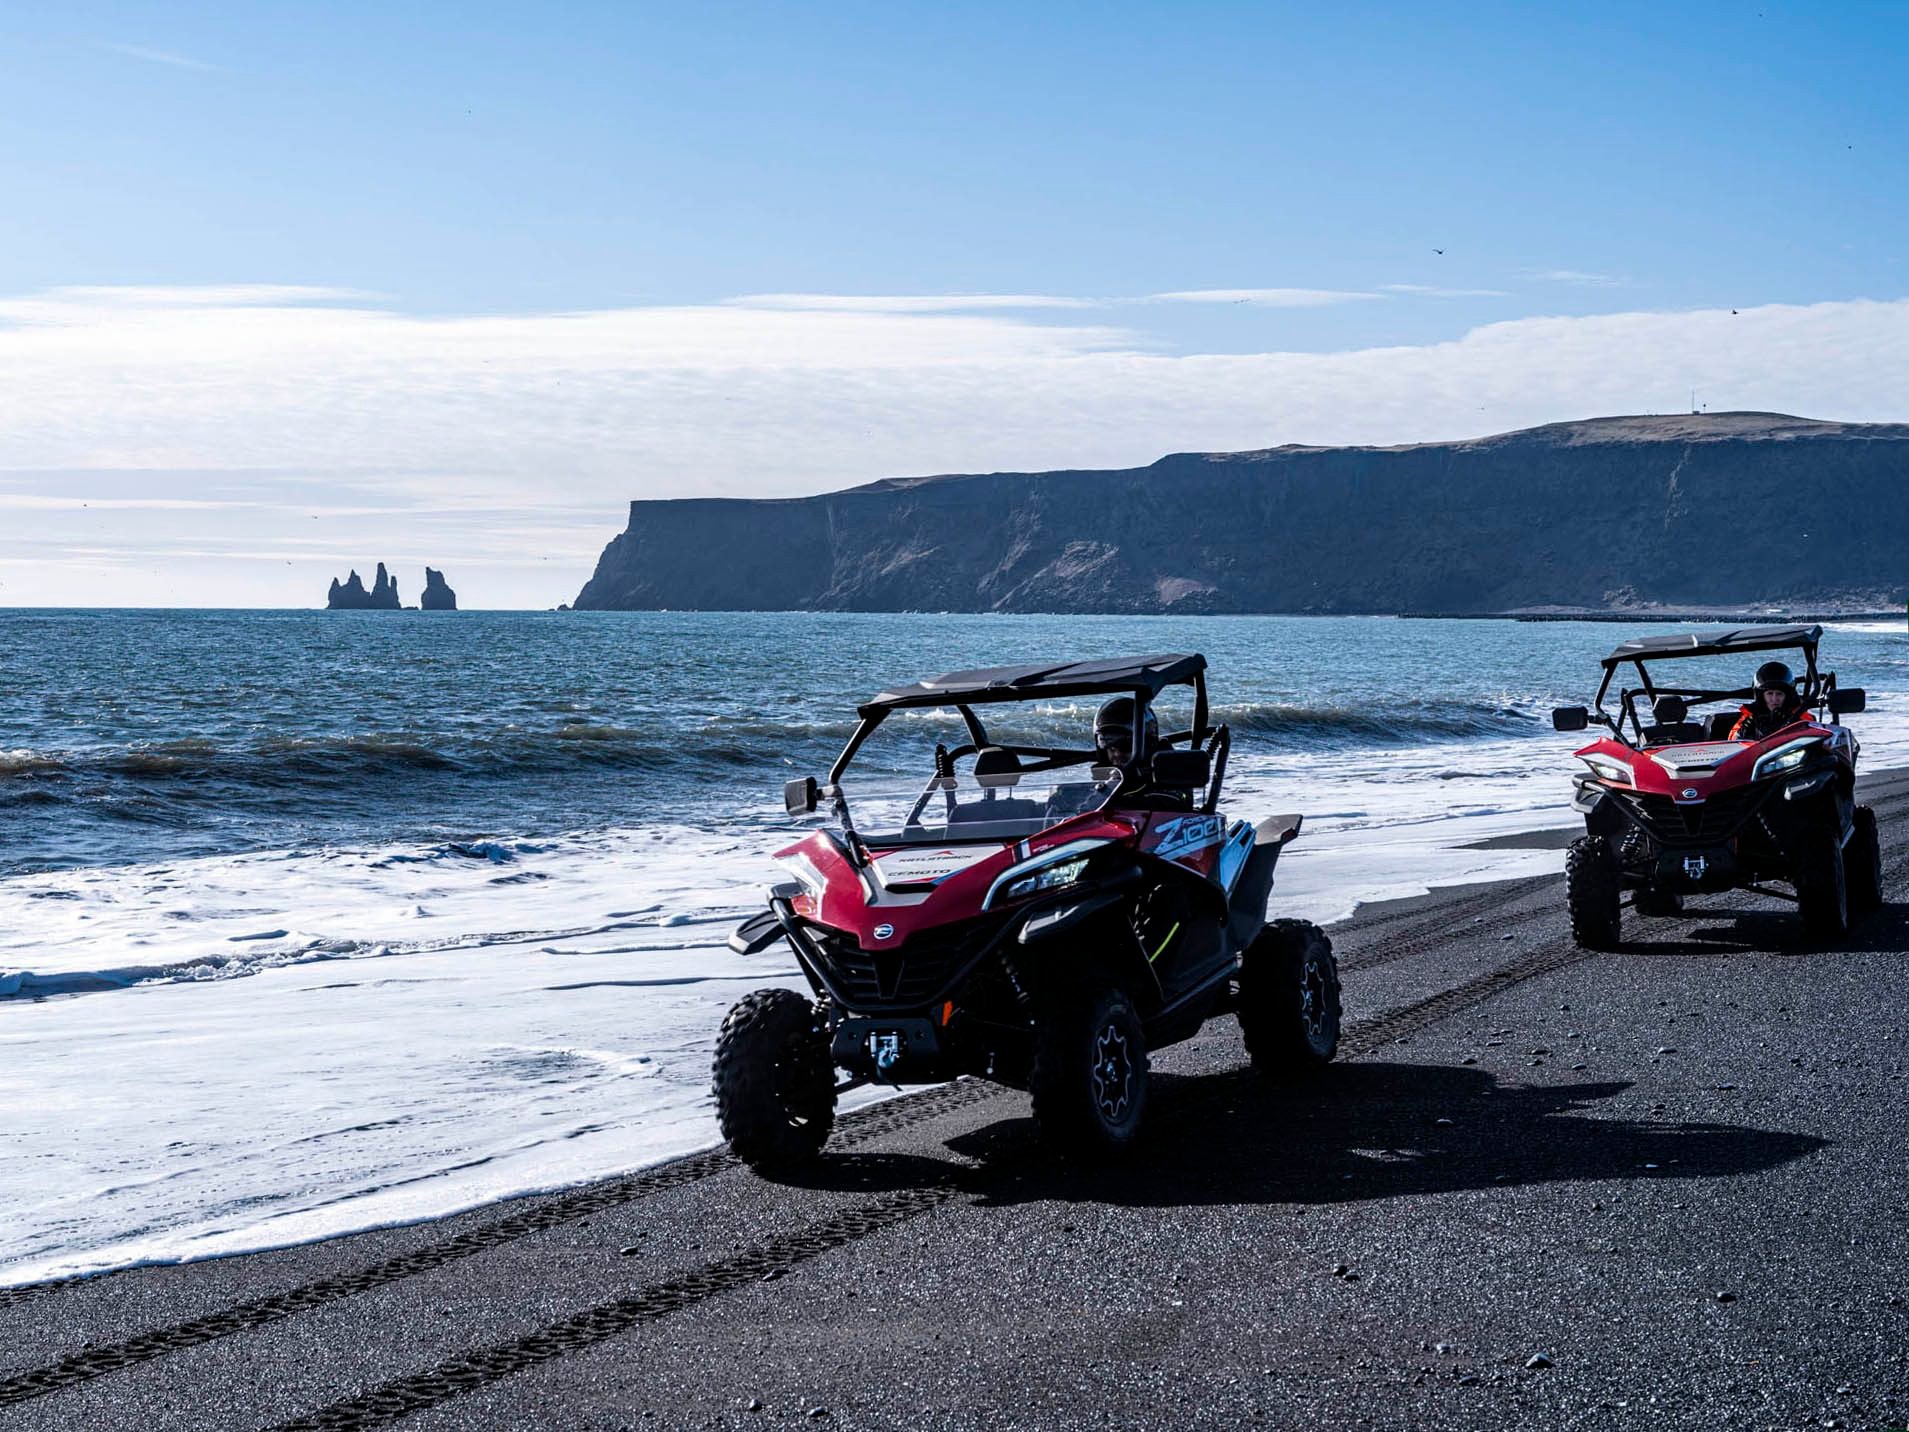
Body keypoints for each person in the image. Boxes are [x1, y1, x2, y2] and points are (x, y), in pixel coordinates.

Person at [1729, 661, 1808, 740]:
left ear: (1787, 696)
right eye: (1770, 693)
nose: (1774, 699)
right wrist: (1742, 733)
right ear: (1761, 696)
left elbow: (1812, 732)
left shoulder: (1799, 714)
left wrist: (1792, 725)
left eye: (1779, 694)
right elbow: (1731, 740)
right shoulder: (1751, 716)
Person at [1093, 695, 1158, 772]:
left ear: (1147, 744)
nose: (1117, 754)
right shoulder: (1102, 778)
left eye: (1125, 747)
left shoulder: (1168, 775)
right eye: (1112, 749)